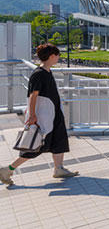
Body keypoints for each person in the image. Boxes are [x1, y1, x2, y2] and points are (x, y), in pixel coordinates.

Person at [0, 44, 78, 185]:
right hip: (44, 116)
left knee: (59, 141)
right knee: (36, 146)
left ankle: (58, 169)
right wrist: (32, 116)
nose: (59, 57)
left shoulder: (47, 72)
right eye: (57, 55)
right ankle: (8, 169)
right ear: (52, 56)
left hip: (54, 114)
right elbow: (33, 96)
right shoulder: (39, 74)